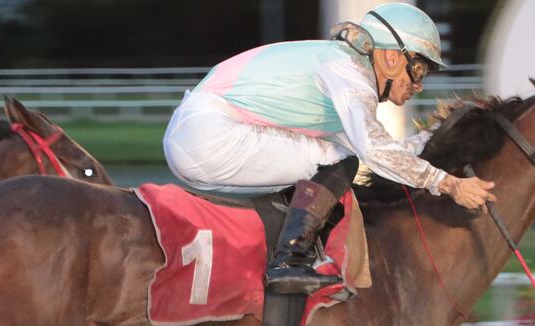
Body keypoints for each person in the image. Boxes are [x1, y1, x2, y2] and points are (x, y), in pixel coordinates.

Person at [163, 2, 496, 295]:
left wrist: (438, 138)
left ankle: (280, 252)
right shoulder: (350, 74)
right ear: (391, 57)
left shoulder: (341, 72)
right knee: (337, 162)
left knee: (332, 160)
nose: (419, 85)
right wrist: (448, 183)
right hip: (209, 135)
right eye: (419, 68)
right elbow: (374, 152)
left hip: (201, 133)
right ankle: (289, 261)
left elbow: (383, 151)